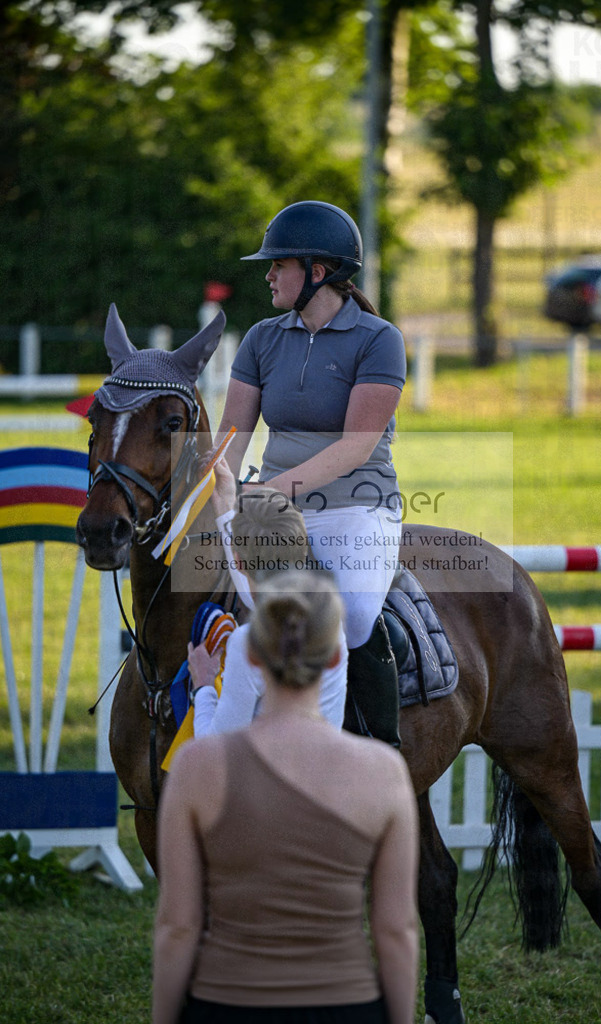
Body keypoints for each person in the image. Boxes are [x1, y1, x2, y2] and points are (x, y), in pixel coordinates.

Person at [153, 568, 419, 1024]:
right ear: (337, 657)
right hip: (343, 1005)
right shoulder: (384, 774)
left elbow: (179, 926)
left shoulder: (197, 769)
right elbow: (395, 931)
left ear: (251, 655)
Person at [214, 200, 407, 745]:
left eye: (279, 264)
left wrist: (267, 493)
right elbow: (232, 433)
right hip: (270, 513)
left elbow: (355, 447)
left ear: (318, 272)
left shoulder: (379, 339)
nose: (268, 274)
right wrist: (222, 495)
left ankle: (379, 747)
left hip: (355, 509)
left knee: (360, 615)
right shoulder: (260, 339)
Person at [187, 467, 348, 733]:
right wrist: (225, 502)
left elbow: (216, 745)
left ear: (237, 560)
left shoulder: (248, 641)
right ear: (302, 547)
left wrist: (203, 685)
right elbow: (255, 594)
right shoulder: (330, 623)